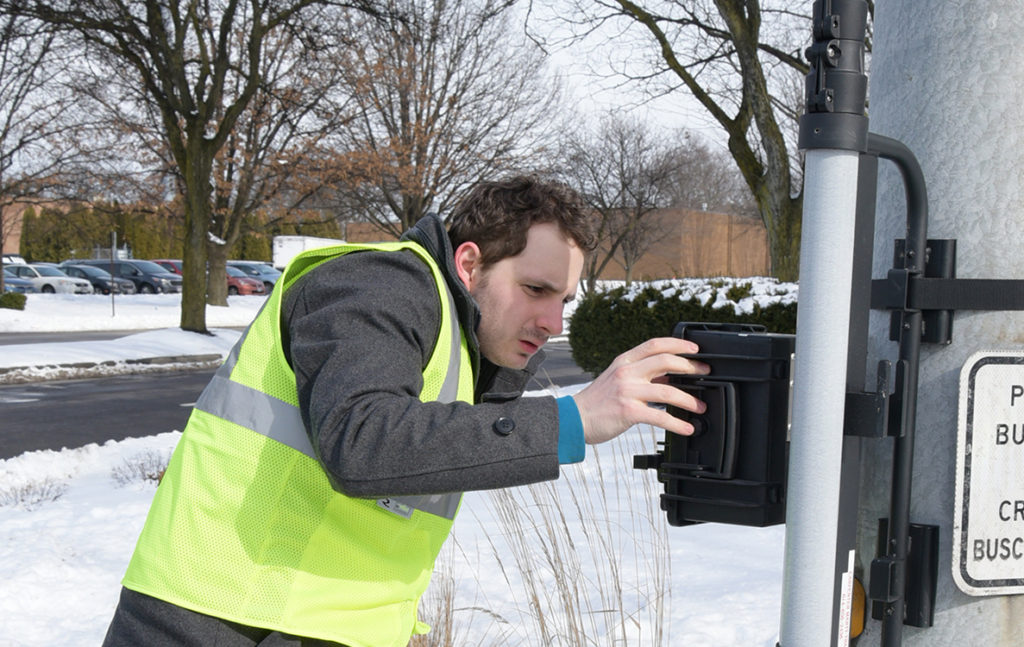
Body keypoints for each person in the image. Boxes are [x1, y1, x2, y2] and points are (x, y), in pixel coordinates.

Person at [101, 175, 709, 647]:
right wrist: (572, 418)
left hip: (322, 624)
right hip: (219, 617)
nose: (553, 324)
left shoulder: (464, 346)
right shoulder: (379, 284)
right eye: (535, 290)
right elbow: (364, 442)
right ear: (468, 264)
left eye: (565, 301)